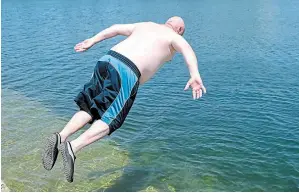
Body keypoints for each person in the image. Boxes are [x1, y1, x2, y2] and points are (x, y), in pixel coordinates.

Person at [41, 16, 206, 182]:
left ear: (166, 22)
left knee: (91, 108)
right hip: (126, 70)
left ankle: (60, 137)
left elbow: (115, 28)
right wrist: (195, 74)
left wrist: (92, 40)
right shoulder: (174, 37)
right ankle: (73, 147)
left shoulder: (145, 25)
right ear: (179, 30)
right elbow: (188, 50)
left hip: (106, 60)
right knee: (112, 119)